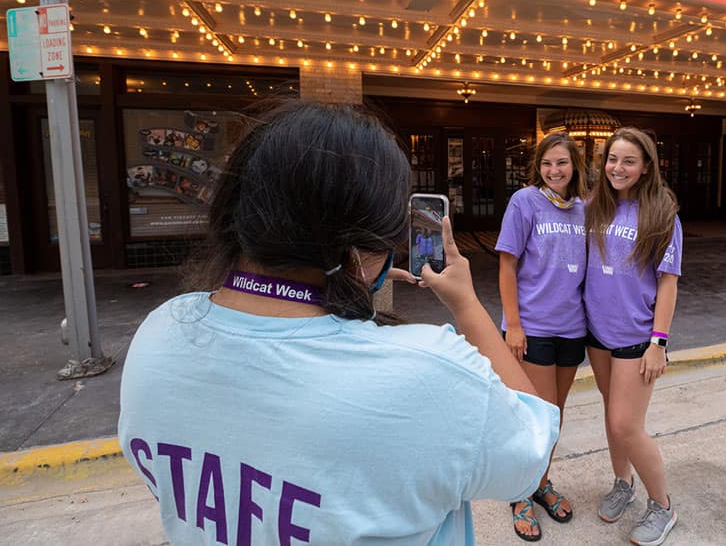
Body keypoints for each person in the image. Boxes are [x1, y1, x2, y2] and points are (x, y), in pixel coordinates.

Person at [118, 101, 559, 546]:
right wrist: (467, 307)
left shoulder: (159, 336)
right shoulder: (430, 373)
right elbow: (531, 453)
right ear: (358, 253)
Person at [583, 127, 682, 546]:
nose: (617, 168)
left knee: (627, 424)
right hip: (595, 332)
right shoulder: (593, 207)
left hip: (637, 337)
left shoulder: (662, 215)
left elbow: (668, 282)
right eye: (612, 159)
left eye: (628, 161)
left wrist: (658, 341)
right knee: (612, 415)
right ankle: (623, 484)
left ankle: (663, 505)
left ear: (645, 168)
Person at [495, 132, 589, 541]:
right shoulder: (525, 202)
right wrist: (513, 324)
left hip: (572, 327)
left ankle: (541, 483)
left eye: (562, 163)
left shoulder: (585, 209)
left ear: (574, 167)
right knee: (535, 416)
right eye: (548, 163)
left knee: (556, 413)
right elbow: (506, 264)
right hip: (531, 326)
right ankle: (520, 493)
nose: (555, 170)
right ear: (539, 167)